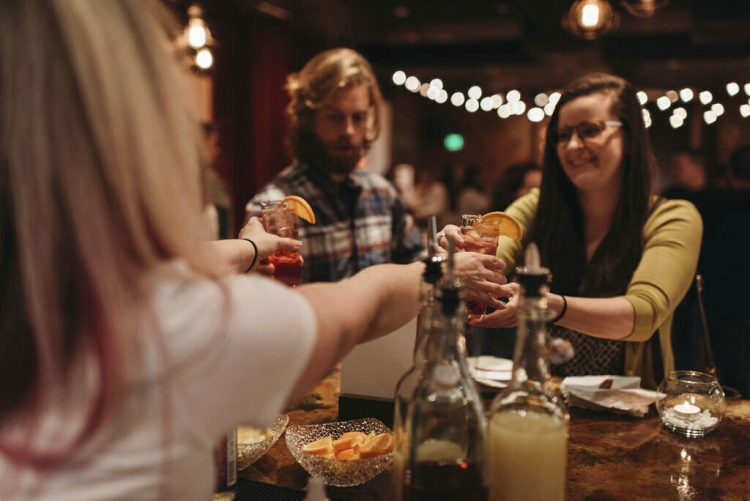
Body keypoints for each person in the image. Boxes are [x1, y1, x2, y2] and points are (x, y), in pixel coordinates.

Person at [0, 2, 506, 498]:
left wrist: (433, 258)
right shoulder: (186, 316)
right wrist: (439, 273)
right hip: (291, 386)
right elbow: (360, 303)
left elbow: (391, 276)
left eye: (358, 118)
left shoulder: (382, 194)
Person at [440, 73, 702, 387]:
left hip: (630, 407)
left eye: (590, 131)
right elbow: (497, 248)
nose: (573, 146)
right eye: (562, 135)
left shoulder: (671, 217)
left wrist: (551, 304)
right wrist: (463, 254)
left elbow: (643, 314)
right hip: (543, 393)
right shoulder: (537, 205)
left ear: (631, 139)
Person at [245, 48, 423, 283]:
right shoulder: (274, 208)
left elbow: (420, 264)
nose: (348, 131)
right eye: (334, 117)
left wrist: (446, 250)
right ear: (307, 120)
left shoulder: (383, 193)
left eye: (358, 117)